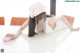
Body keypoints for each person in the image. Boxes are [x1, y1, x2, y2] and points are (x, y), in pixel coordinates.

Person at [3, 3, 80, 42]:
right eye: (40, 17)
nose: (43, 18)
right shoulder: (32, 20)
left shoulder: (50, 20)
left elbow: (62, 17)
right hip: (46, 40)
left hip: (62, 29)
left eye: (43, 15)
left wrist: (72, 28)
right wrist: (15, 35)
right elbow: (21, 28)